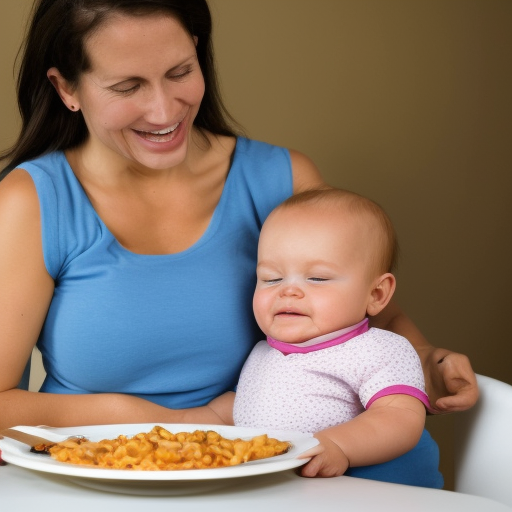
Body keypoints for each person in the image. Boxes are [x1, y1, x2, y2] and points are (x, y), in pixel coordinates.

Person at [0, 0, 476, 480]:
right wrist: (164, 424)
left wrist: (425, 362)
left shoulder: (279, 180)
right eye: (128, 86)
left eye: (180, 72)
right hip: (102, 477)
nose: (164, 110)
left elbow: (368, 314)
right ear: (67, 88)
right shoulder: (32, 202)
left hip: (290, 477)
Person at [230, 188, 443, 486]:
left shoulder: (380, 349)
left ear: (376, 294)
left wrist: (340, 445)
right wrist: (189, 420)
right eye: (271, 278)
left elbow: (400, 418)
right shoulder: (264, 353)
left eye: (317, 278)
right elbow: (243, 408)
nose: (288, 290)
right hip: (297, 493)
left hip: (382, 493)